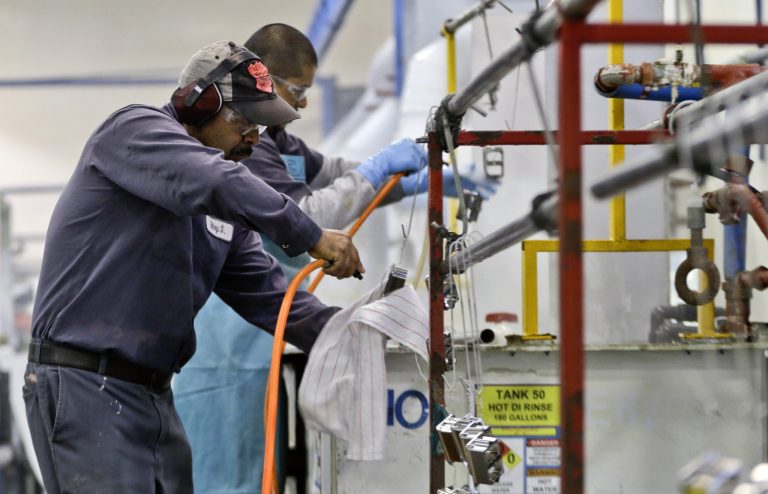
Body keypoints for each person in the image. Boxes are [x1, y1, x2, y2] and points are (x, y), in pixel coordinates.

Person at [21, 40, 387, 493]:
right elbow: (215, 179)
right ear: (198, 104)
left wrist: (359, 332)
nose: (255, 138)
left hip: (151, 396)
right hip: (85, 386)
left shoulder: (219, 214)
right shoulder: (133, 131)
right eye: (247, 122)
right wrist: (311, 234)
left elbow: (273, 300)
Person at [173, 24, 496, 494]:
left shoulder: (281, 146)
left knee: (262, 462)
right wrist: (377, 170)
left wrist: (402, 181)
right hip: (227, 339)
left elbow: (335, 177)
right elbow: (303, 215)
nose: (302, 104)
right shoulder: (246, 150)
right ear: (264, 81)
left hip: (268, 328)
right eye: (296, 90)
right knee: (230, 466)